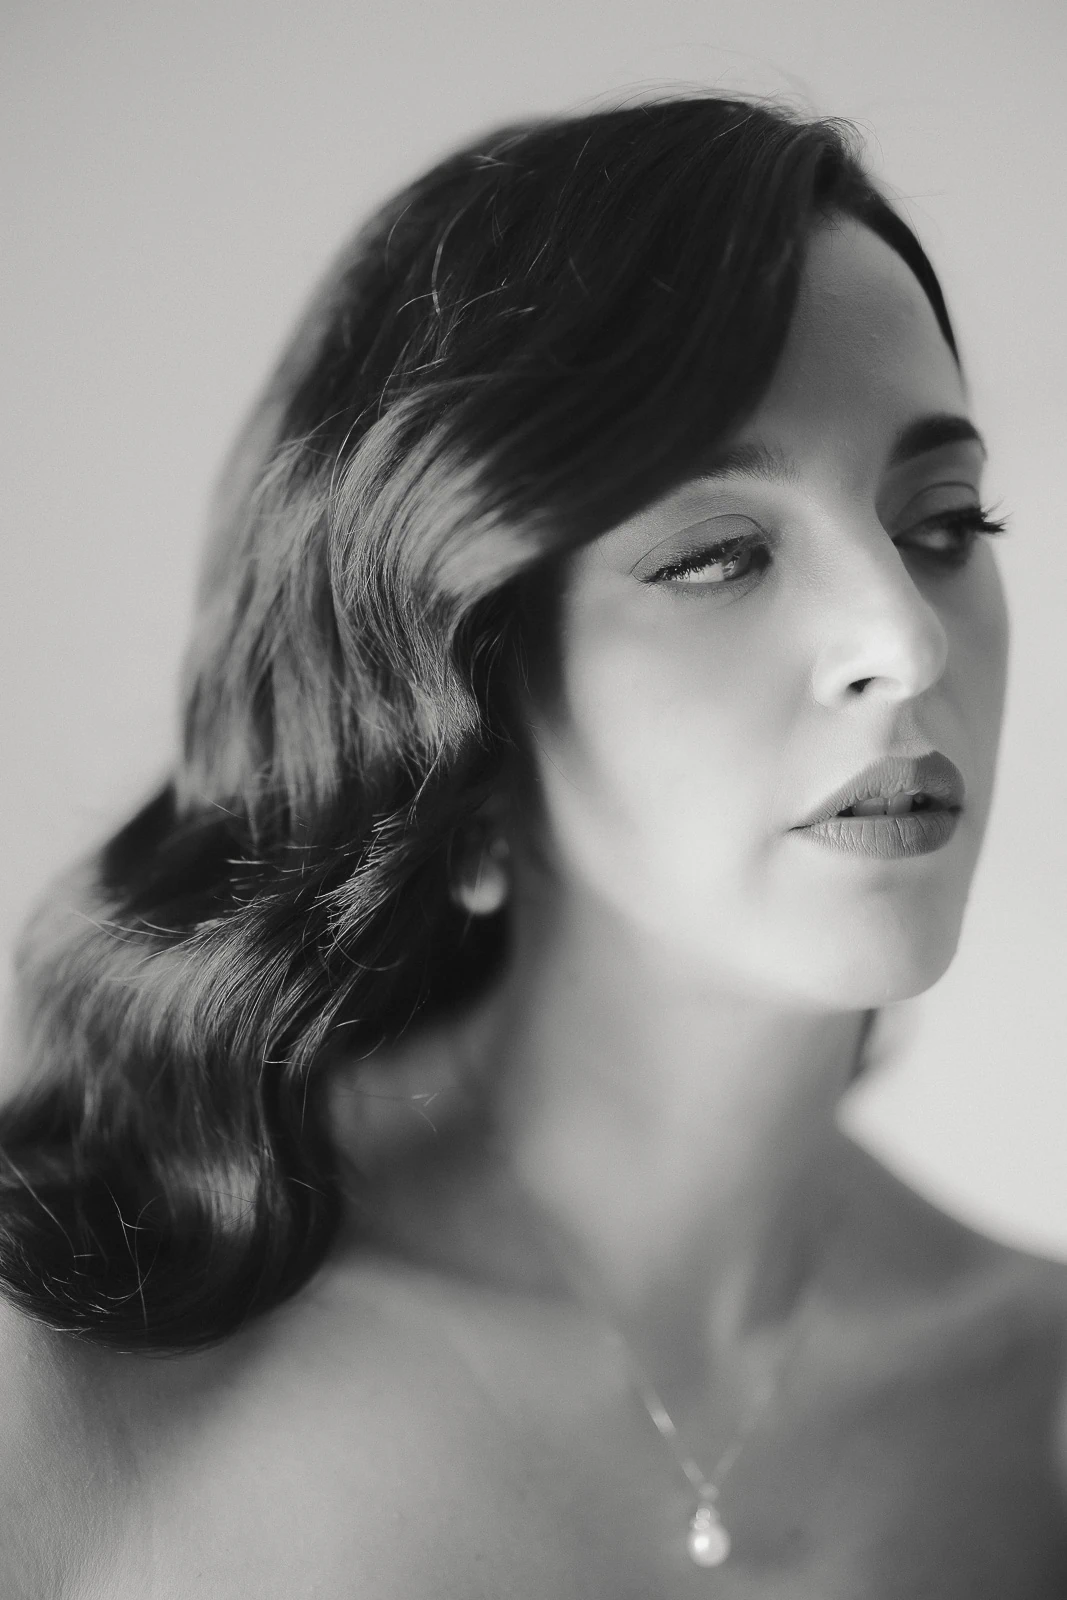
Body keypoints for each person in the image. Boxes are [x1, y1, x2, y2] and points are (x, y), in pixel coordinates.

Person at [0, 93, 1065, 1598]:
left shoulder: (1034, 1417)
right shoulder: (70, 1378)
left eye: (941, 521)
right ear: (461, 714)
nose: (898, 637)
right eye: (716, 554)